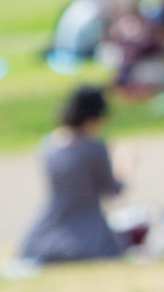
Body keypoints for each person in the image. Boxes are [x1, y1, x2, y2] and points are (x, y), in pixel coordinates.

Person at [17, 87, 129, 264]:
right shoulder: (94, 147)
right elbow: (113, 190)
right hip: (90, 236)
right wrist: (124, 164)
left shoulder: (48, 145)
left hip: (46, 232)